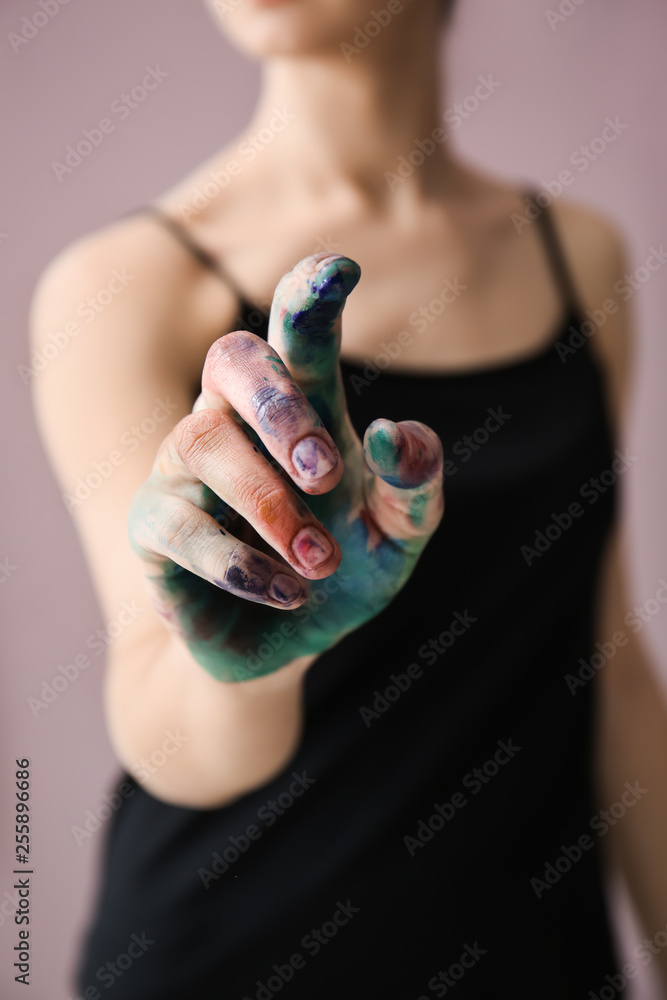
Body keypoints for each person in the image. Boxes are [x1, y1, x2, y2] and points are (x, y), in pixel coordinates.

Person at [29, 1, 667, 997]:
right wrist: (244, 647)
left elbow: (607, 655)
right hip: (226, 958)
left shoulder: (577, 256)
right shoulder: (126, 286)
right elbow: (162, 724)